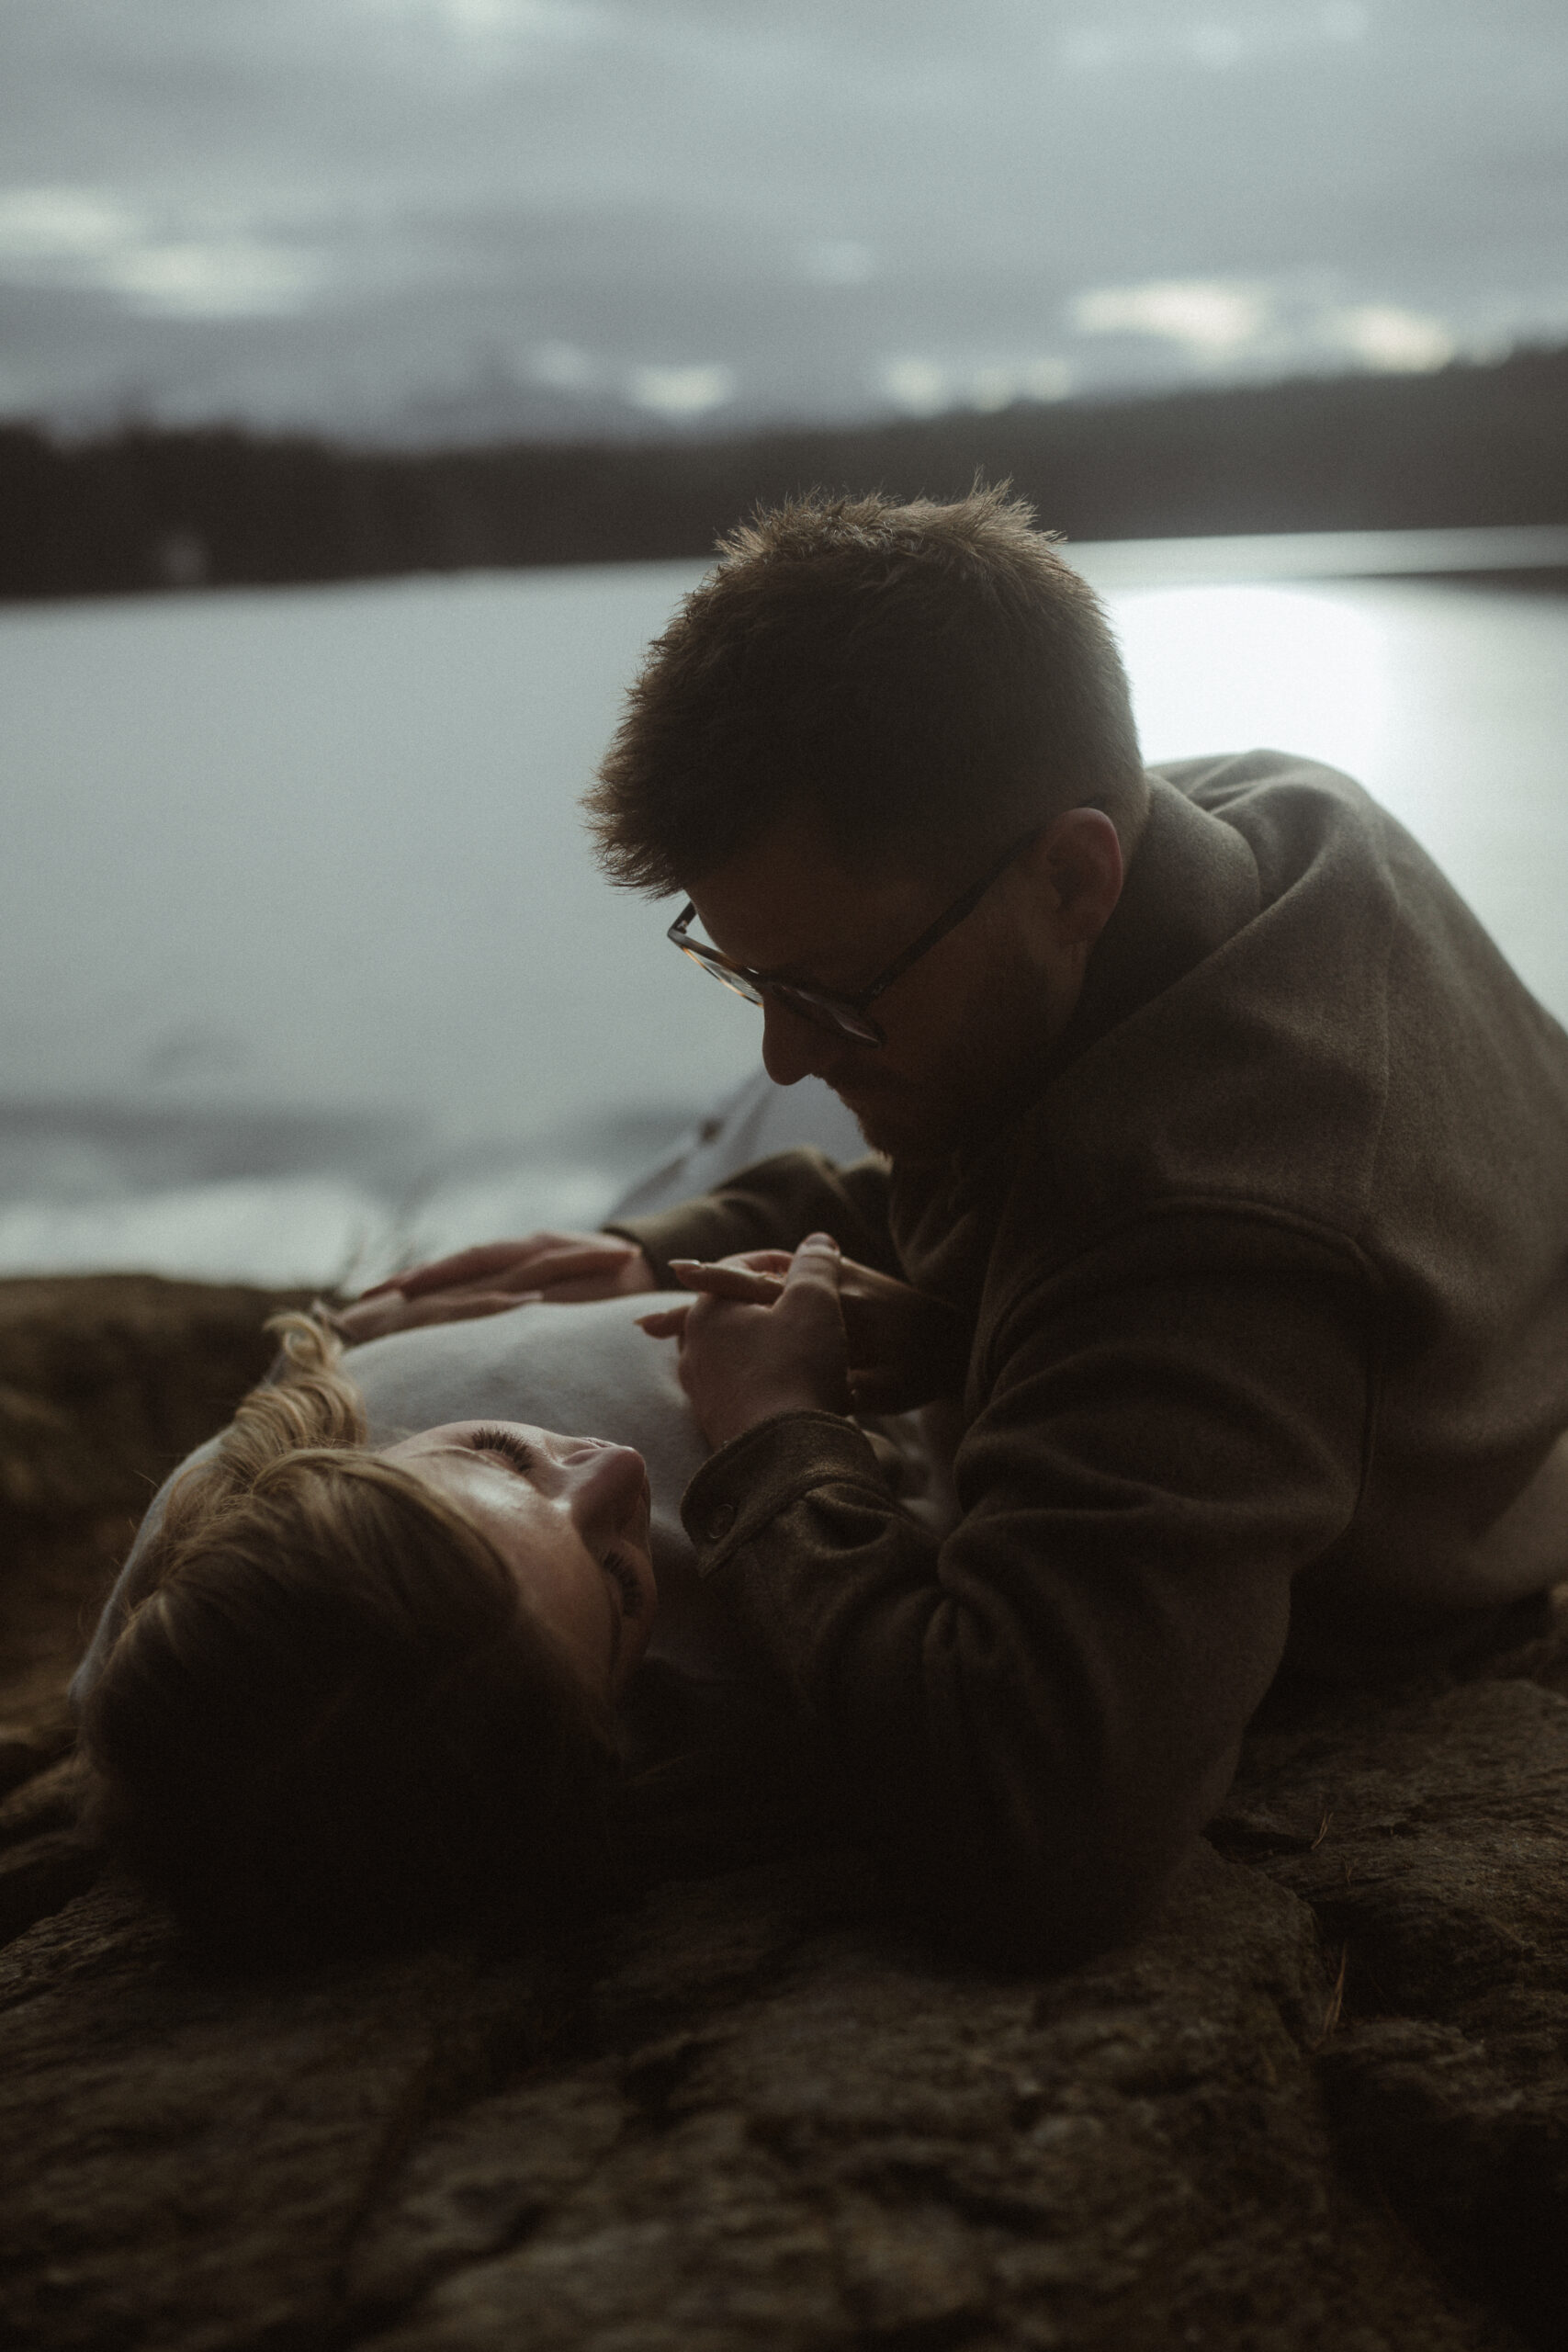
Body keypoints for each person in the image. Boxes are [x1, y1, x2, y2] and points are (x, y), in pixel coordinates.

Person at [355, 484, 1568, 1971]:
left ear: (1071, 876)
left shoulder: (1210, 1242)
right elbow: (1017, 1161)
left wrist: (775, 1440)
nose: (784, 1056)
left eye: (831, 994)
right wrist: (671, 1253)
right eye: (747, 978)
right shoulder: (1269, 815)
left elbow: (1037, 1836)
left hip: (1386, 1600)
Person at [74, 1267, 958, 1962]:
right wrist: (795, 1414)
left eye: (496, 1451)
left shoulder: (182, 1655)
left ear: (324, 1469)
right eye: (620, 1587)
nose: (615, 1469)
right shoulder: (748, 1665)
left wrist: (343, 1341)